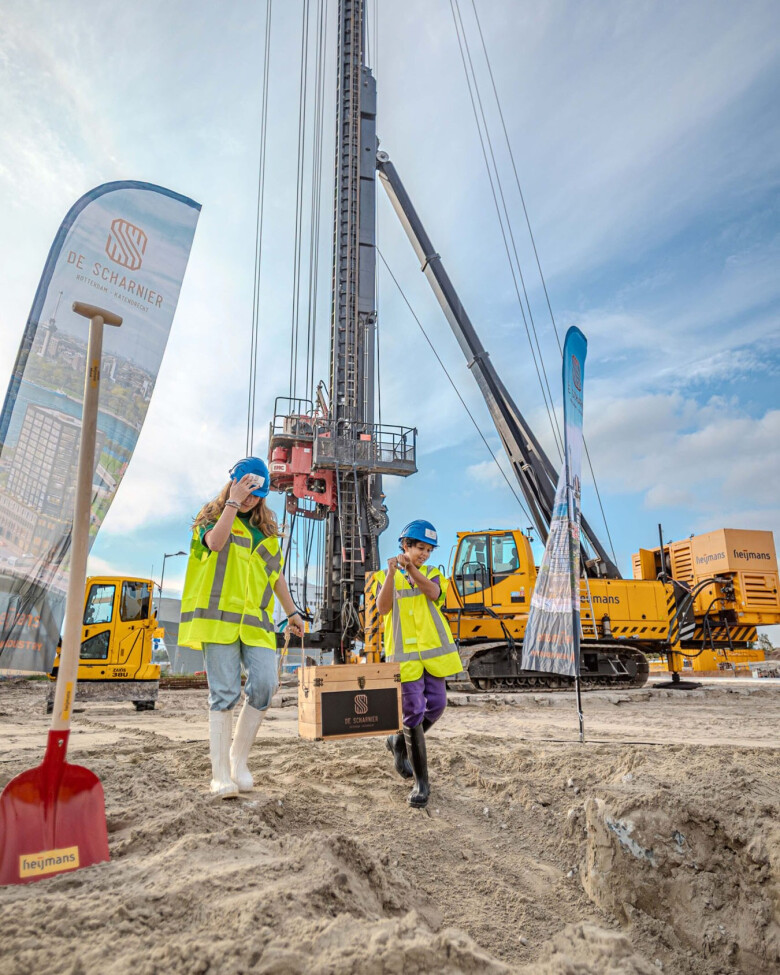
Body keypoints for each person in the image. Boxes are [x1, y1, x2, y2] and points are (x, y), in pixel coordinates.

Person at [179, 457, 303, 798]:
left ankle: (238, 759)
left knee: (265, 683)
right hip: (218, 622)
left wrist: (292, 612)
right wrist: (232, 503)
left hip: (256, 624)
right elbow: (215, 544)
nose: (252, 499)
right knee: (225, 693)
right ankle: (220, 775)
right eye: (247, 491)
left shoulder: (266, 533)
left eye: (257, 494)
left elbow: (275, 578)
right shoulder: (210, 518)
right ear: (233, 484)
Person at [372, 520, 462, 808]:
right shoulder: (384, 577)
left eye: (428, 550)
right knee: (412, 712)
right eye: (419, 548)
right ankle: (422, 783)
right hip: (405, 659)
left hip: (433, 657)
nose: (424, 554)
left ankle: (398, 742)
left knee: (436, 706)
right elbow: (382, 608)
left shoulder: (434, 574)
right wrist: (390, 573)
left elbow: (434, 594)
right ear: (405, 546)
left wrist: (411, 569)